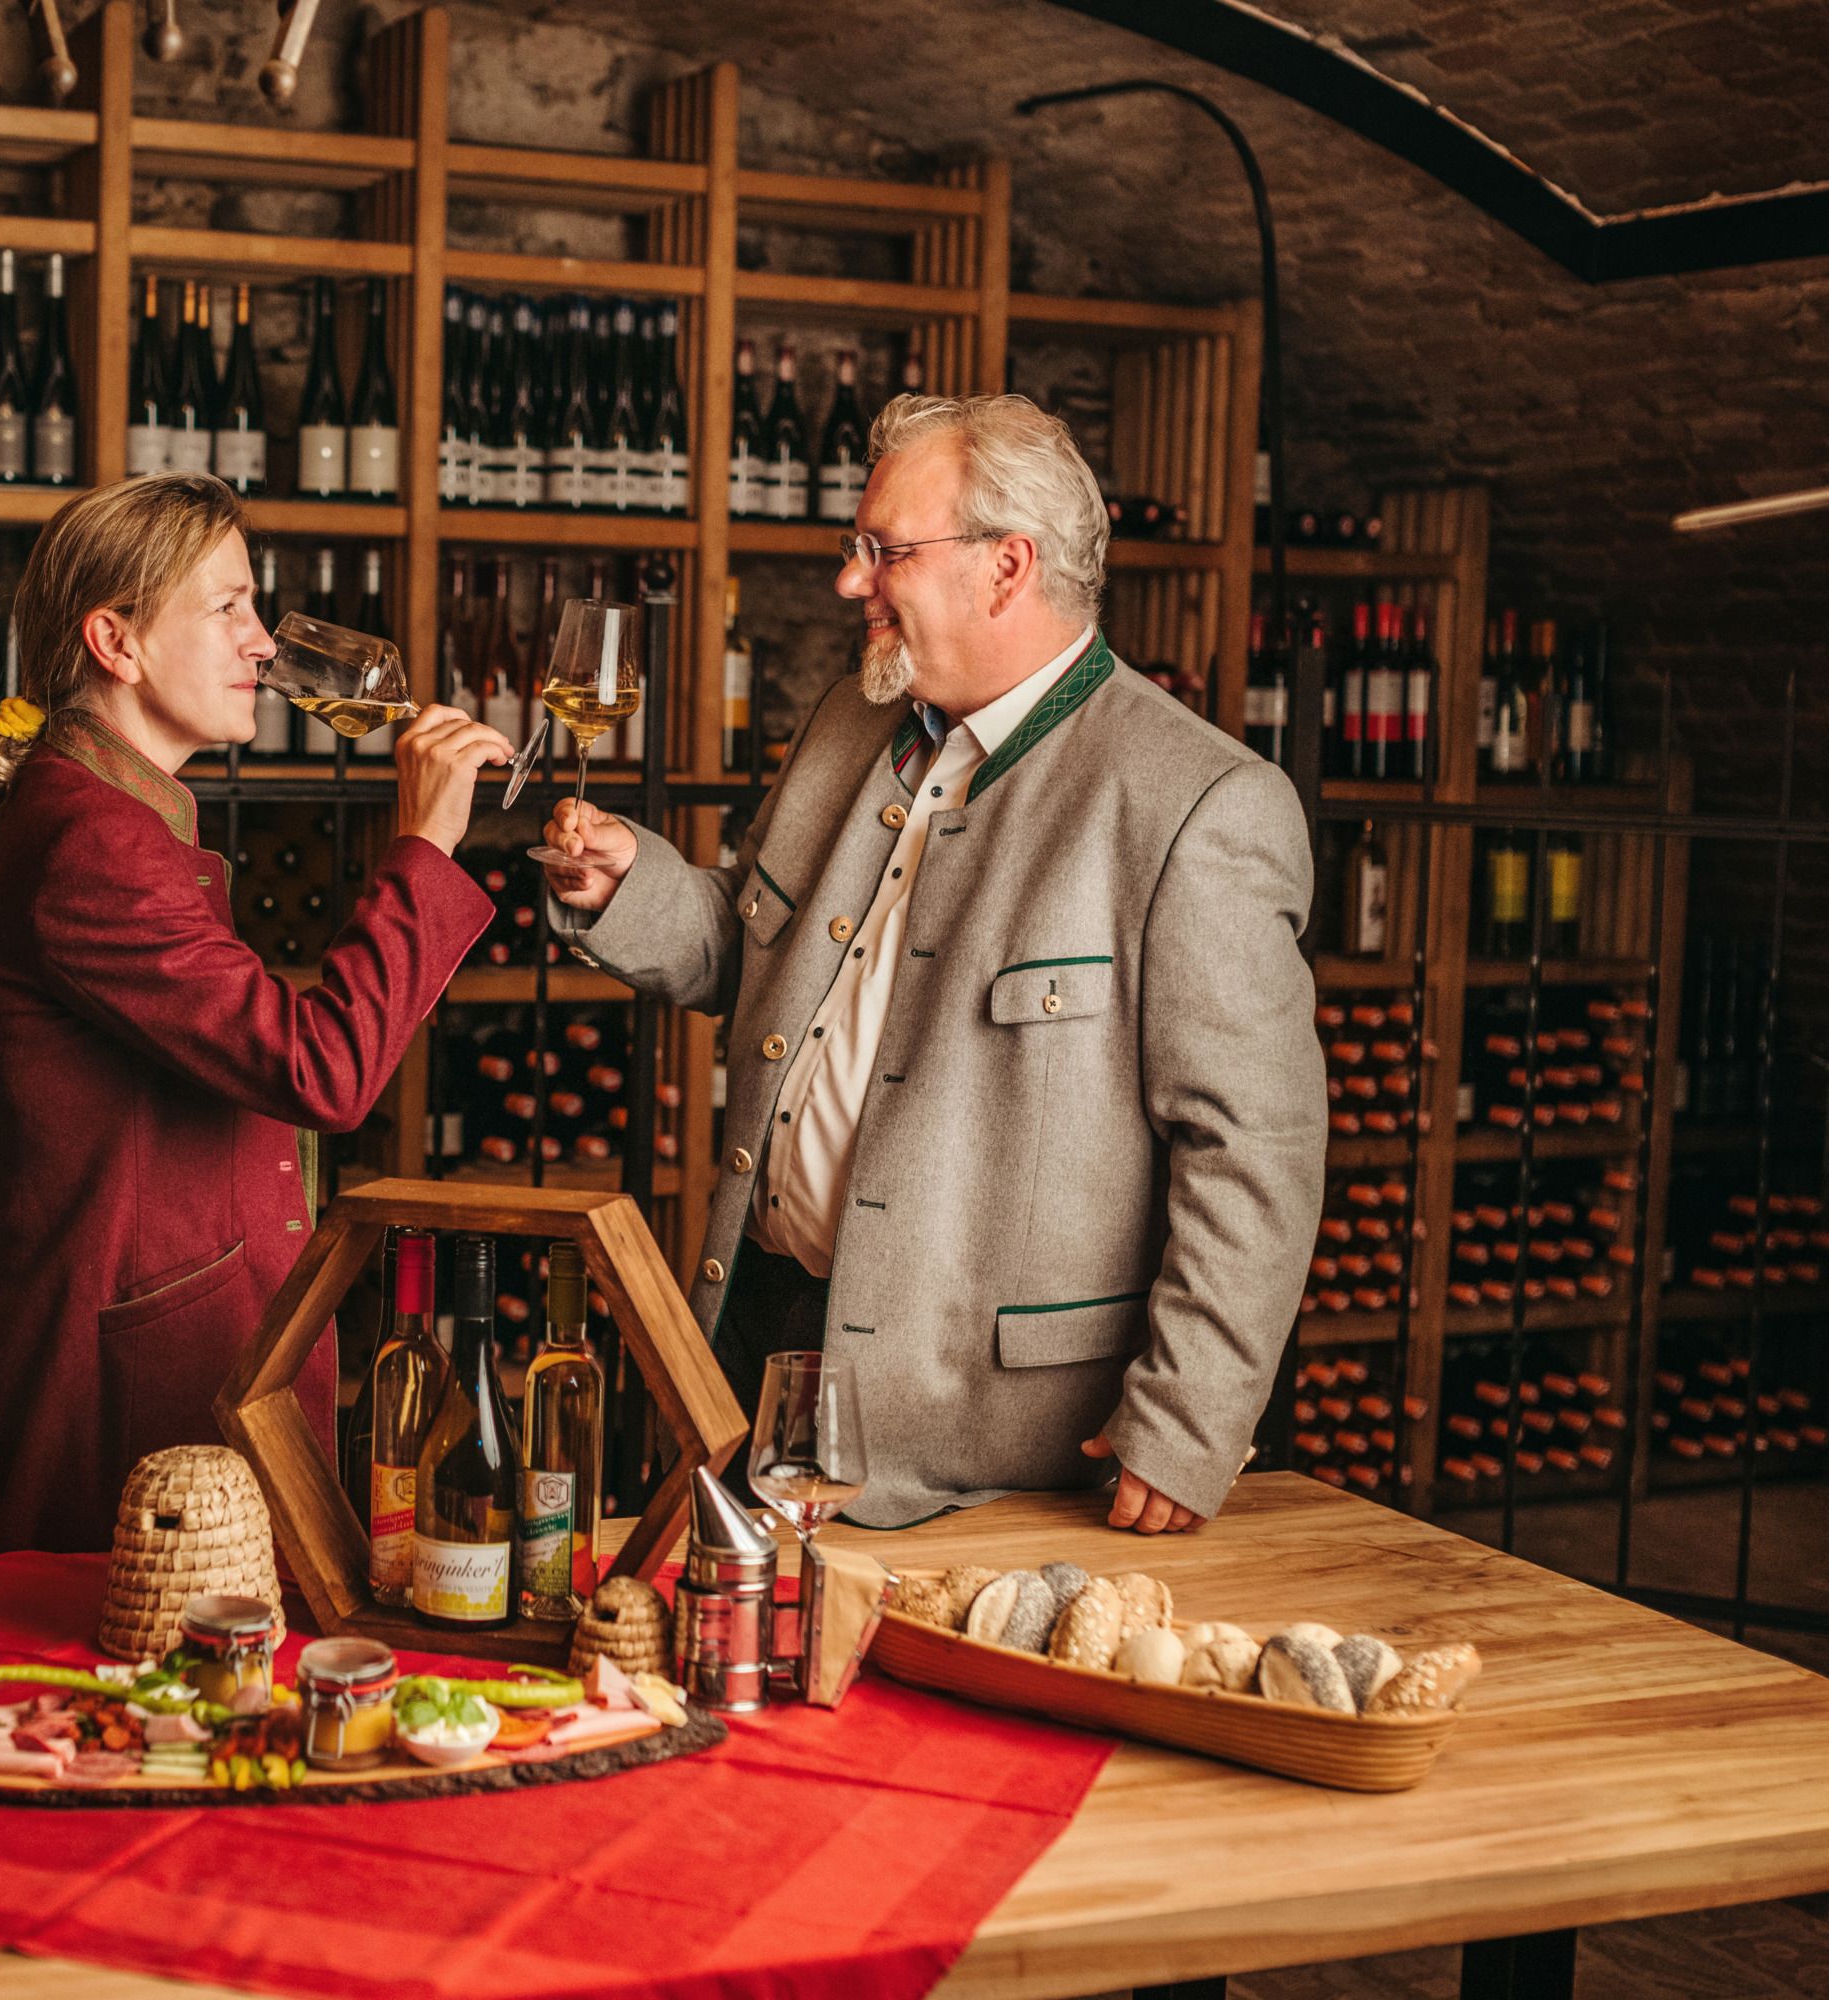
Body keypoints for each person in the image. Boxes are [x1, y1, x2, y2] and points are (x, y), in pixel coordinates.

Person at [542, 393, 1323, 1535]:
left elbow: (1258, 1144)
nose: (853, 581)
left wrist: (1191, 1413)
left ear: (1007, 568)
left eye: (884, 550)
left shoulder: (1194, 802)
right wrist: (629, 890)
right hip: (757, 1335)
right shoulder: (855, 725)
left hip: (992, 1440)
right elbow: (760, 956)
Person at [0, 473, 511, 1557]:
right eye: (229, 606)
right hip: (118, 1392)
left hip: (168, 1368)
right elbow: (320, 1070)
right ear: (117, 640)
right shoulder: (95, 842)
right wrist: (424, 845)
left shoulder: (109, 813)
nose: (262, 644)